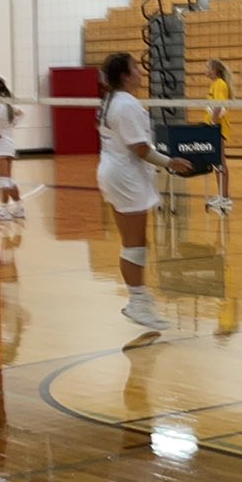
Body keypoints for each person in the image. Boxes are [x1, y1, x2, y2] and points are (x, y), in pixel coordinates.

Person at [97, 51, 193, 332]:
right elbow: (140, 149)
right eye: (135, 67)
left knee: (135, 242)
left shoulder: (111, 100)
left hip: (115, 172)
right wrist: (170, 163)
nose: (141, 71)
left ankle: (140, 297)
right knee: (135, 244)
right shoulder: (125, 105)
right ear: (126, 76)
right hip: (125, 177)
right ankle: (137, 302)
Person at [0, 76, 24, 222]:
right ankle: (18, 208)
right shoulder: (8, 104)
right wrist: (10, 126)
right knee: (7, 179)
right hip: (9, 143)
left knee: (3, 180)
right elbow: (20, 114)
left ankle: (4, 211)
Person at [204, 58, 233, 214]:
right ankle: (221, 195)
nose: (205, 70)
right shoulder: (214, 84)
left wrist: (214, 126)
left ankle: (225, 198)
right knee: (217, 162)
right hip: (214, 127)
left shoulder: (220, 84)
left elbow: (219, 107)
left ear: (215, 70)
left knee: (220, 161)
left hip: (218, 128)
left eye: (208, 67)